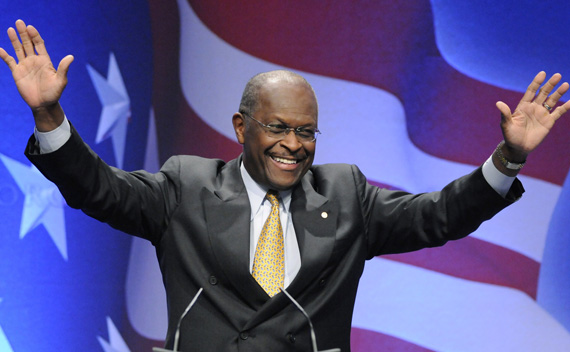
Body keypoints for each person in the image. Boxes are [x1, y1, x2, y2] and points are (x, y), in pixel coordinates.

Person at [1, 19, 568, 352]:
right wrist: (51, 117)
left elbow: (440, 215)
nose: (293, 145)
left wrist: (508, 157)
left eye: (306, 132)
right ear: (242, 127)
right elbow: (98, 189)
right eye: (277, 128)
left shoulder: (347, 195)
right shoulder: (186, 185)